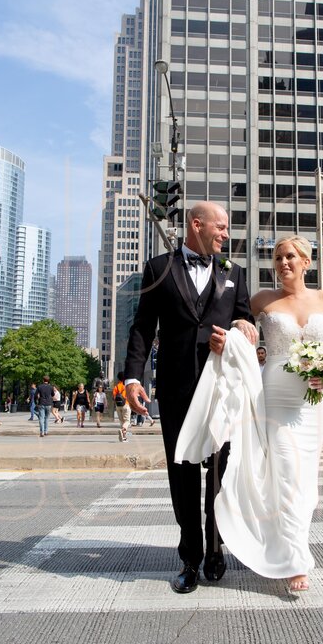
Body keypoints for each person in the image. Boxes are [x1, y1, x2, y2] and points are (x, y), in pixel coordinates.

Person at [177, 235, 323, 593]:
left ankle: (290, 544)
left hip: (316, 399)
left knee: (306, 479)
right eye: (277, 258)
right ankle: (295, 560)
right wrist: (239, 330)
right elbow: (234, 318)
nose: (283, 263)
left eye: (290, 257)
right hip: (275, 396)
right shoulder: (262, 299)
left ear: (306, 262)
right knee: (286, 472)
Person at [123, 200, 256, 595]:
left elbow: (245, 320)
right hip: (178, 389)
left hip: (221, 390)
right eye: (221, 226)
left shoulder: (235, 273)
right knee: (182, 475)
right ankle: (190, 560)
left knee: (218, 473)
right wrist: (132, 378)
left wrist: (238, 329)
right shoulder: (157, 268)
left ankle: (217, 550)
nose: (226, 234)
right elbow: (143, 328)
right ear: (197, 225)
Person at [113, 373, 131, 442]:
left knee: (121, 421)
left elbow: (114, 397)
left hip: (118, 406)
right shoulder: (126, 386)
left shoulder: (116, 386)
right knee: (127, 421)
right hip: (126, 404)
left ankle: (124, 437)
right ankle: (122, 430)